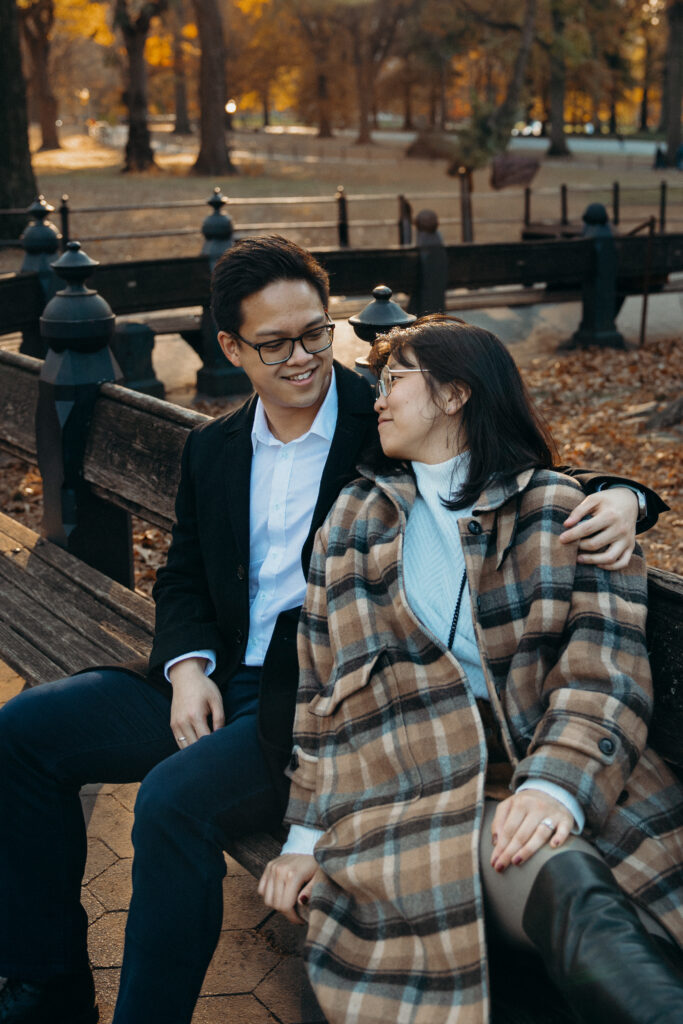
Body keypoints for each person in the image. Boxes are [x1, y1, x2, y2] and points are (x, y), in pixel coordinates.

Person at [0, 239, 665, 1024]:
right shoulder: (214, 446)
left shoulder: (378, 424)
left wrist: (627, 496)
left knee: (171, 803)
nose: (301, 358)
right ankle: (48, 987)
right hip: (212, 679)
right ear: (230, 348)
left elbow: (499, 464)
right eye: (274, 344)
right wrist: (184, 666)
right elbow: (182, 573)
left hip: (311, 698)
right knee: (23, 735)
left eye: (315, 333)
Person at [259, 315, 683, 1024]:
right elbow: (319, 697)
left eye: (394, 380)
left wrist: (554, 789)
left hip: (553, 778)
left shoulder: (558, 513)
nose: (379, 399)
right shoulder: (353, 523)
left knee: (566, 883)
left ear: (455, 395)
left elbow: (604, 676)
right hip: (405, 807)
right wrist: (304, 839)